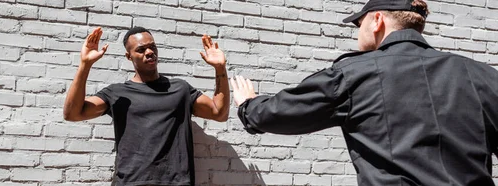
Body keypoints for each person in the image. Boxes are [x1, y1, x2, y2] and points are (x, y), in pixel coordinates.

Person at [231, 0, 498, 185]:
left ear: (377, 20)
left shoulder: (355, 74)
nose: (358, 32)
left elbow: (284, 112)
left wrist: (248, 106)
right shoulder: (483, 76)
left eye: (359, 24)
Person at [63, 27, 230, 186]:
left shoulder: (180, 89)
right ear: (129, 56)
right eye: (141, 50)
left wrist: (220, 68)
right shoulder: (118, 93)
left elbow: (219, 113)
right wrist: (85, 65)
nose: (149, 52)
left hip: (176, 182)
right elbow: (72, 114)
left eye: (152, 47)